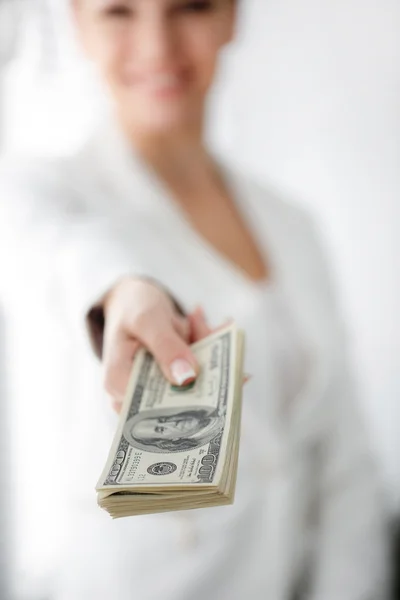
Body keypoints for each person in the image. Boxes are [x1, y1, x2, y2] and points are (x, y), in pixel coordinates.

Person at [0, 0, 389, 598]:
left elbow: (346, 468)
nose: (157, 47)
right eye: (119, 13)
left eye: (190, 8)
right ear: (79, 25)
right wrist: (124, 291)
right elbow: (67, 254)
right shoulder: (41, 193)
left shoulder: (293, 226)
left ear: (231, 17)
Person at [124, 407, 225, 452]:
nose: (172, 422)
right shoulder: (213, 437)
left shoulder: (218, 411)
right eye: (161, 429)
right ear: (171, 440)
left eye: (163, 419)